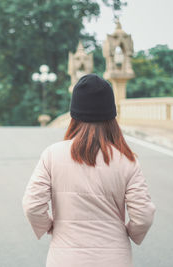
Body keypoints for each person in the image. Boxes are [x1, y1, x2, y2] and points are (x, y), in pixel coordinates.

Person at [22, 74, 156, 267]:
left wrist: (49, 226)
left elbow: (32, 205)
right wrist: (127, 232)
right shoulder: (127, 160)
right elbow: (143, 216)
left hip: (65, 259)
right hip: (114, 259)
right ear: (111, 115)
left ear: (74, 114)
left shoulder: (52, 155)